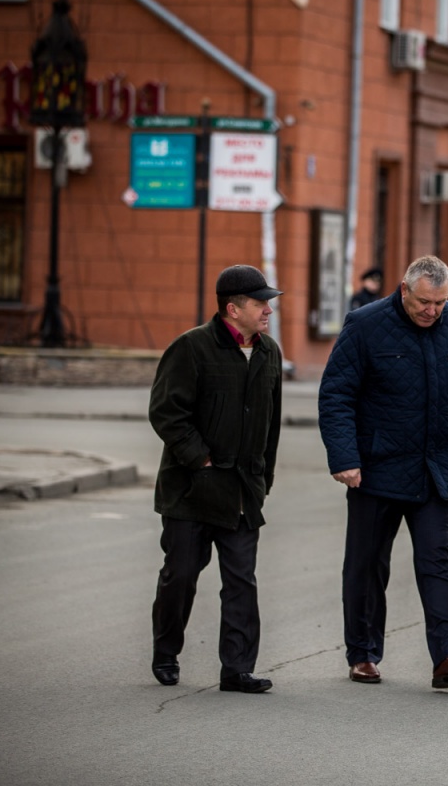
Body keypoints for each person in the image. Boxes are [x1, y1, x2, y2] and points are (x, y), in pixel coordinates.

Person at [318, 255, 448, 688]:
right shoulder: (365, 323)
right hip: (377, 468)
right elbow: (336, 394)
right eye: (425, 302)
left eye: (441, 303)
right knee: (367, 564)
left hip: (438, 468)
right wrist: (345, 458)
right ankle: (363, 653)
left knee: (438, 563)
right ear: (403, 290)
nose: (433, 311)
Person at [148, 265, 283, 693]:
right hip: (191, 490)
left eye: (268, 303)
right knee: (181, 574)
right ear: (232, 308)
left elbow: (272, 423)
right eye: (260, 303)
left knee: (241, 580)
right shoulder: (191, 348)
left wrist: (264, 477)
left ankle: (237, 669)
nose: (268, 310)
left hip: (244, 489)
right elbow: (167, 412)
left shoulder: (269, 353)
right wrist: (200, 460)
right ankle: (166, 651)